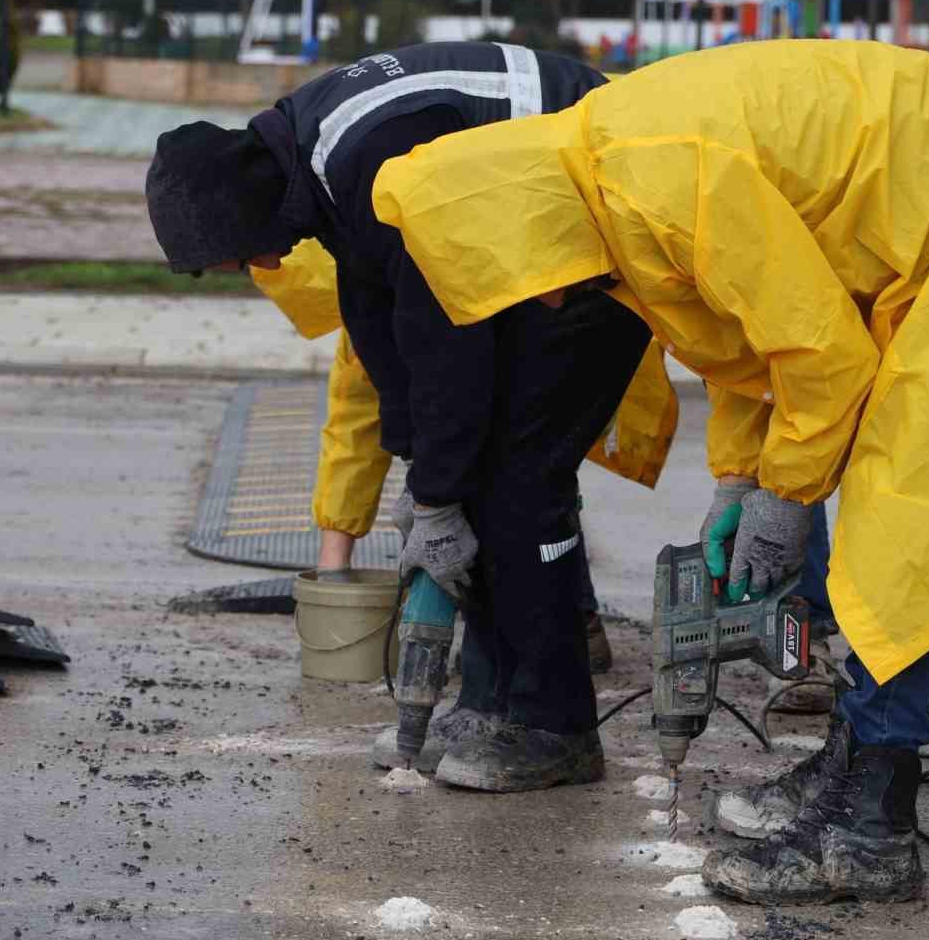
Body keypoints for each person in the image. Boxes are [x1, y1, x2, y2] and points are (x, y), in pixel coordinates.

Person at [369, 40, 929, 902]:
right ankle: (851, 765)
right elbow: (748, 339)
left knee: (900, 539)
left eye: (527, 286)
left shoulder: (653, 176)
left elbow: (819, 356)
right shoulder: (605, 184)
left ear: (519, 223)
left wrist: (786, 496)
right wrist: (740, 477)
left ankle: (868, 833)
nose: (546, 302)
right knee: (882, 523)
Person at [145, 41, 660, 792]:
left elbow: (448, 331)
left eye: (237, 255)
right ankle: (491, 702)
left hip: (604, 226)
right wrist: (422, 470)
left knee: (519, 481)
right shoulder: (315, 158)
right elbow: (377, 313)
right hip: (535, 235)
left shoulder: (366, 156)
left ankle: (556, 725)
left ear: (246, 209)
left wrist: (439, 489)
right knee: (476, 477)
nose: (255, 269)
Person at [250, 237, 684, 678]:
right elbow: (355, 420)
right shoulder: (375, 290)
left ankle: (564, 628)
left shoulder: (433, 260)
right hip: (496, 338)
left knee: (526, 480)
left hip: (565, 325)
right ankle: (524, 635)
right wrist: (334, 566)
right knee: (480, 492)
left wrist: (436, 490)